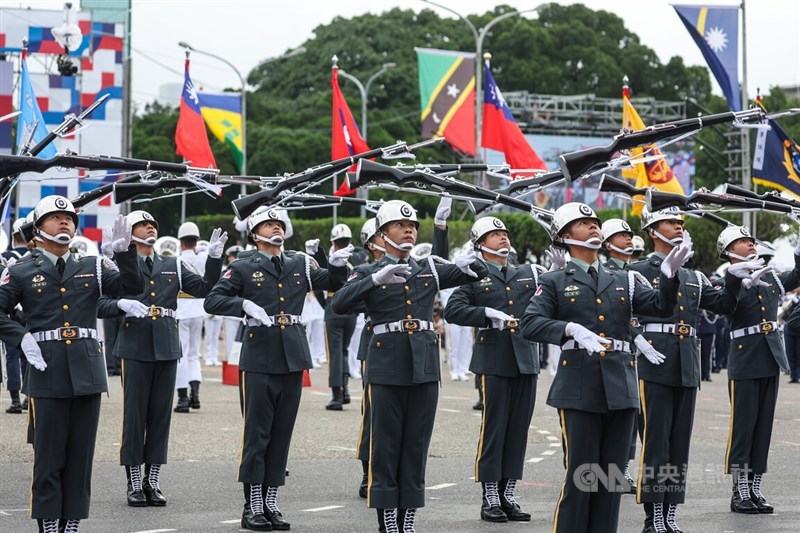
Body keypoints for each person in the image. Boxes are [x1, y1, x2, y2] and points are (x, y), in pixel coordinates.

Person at [520, 202, 691, 533]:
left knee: (610, 482)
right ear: (565, 236)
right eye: (584, 223)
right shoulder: (555, 280)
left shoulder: (624, 279)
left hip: (621, 388)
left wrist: (669, 276)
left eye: (596, 223)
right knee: (583, 476)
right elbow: (530, 323)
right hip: (580, 388)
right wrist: (569, 329)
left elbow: (660, 307)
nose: (594, 228)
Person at [332, 199, 484, 533]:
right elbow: (339, 303)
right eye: (400, 225)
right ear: (383, 233)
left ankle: (408, 519)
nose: (409, 230)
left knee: (416, 445)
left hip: (424, 367)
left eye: (413, 225)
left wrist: (472, 256)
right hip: (386, 366)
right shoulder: (368, 272)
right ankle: (388, 519)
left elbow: (477, 272)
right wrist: (375, 280)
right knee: (386, 446)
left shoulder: (427, 268)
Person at [0, 196, 143, 533]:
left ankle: (72, 524)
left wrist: (125, 254)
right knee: (49, 455)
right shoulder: (20, 270)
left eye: (69, 217)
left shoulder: (94, 265)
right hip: (46, 368)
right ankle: (50, 525)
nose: (64, 221)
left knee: (81, 457)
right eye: (55, 217)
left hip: (86, 369)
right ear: (38, 228)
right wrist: (20, 336)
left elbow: (132, 287)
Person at [204, 207, 351, 531]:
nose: (277, 228)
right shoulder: (242, 266)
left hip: (292, 356)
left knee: (282, 434)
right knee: (257, 434)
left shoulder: (300, 263)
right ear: (255, 234)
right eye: (269, 224)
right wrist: (242, 304)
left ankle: (271, 502)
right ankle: (253, 505)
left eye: (279, 224)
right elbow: (212, 301)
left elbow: (333, 284)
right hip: (259, 356)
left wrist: (336, 264)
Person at [629, 208, 750, 533]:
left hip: (686, 363)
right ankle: (654, 515)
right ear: (652, 231)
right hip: (654, 361)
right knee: (656, 443)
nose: (679, 227)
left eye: (681, 223)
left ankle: (670, 513)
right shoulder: (636, 271)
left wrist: (733, 276)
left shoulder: (693, 276)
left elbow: (724, 306)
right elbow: (617, 312)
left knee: (678, 445)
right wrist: (636, 338)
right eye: (671, 223)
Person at [97, 210, 225, 507]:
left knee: (160, 417)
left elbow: (205, 289)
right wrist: (121, 305)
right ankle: (133, 481)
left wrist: (214, 260)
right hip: (135, 344)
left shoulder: (173, 264)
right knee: (134, 417)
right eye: (142, 225)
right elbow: (100, 305)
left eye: (152, 224)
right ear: (130, 234)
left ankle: (152, 480)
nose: (150, 228)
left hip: (166, 344)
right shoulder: (118, 264)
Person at [444, 216, 540, 523]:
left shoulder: (527, 272)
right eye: (495, 234)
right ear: (481, 244)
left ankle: (508, 493)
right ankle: (490, 496)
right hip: (494, 359)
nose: (503, 237)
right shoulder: (473, 275)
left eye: (504, 233)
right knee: (494, 429)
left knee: (518, 430)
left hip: (525, 357)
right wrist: (485, 314)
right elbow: (453, 310)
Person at [719, 225, 800, 515]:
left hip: (769, 357)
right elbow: (724, 305)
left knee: (763, 426)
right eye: (743, 241)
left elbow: (796, 276)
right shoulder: (727, 280)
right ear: (729, 251)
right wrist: (738, 282)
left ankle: (755, 486)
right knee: (743, 428)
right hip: (744, 359)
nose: (751, 244)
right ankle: (739, 489)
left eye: (751, 240)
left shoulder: (769, 277)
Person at [174, 221, 208, 411]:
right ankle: (195, 396)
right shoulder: (202, 259)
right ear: (196, 241)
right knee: (194, 354)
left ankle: (182, 398)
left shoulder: (177, 261)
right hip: (198, 309)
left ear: (181, 242)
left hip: (182, 309)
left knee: (182, 355)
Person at [3, 217, 32, 414]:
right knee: (31, 353)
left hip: (11, 311)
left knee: (12, 355)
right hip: (31, 311)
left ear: (13, 237)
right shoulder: (38, 256)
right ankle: (29, 396)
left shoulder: (4, 256)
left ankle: (14, 400)